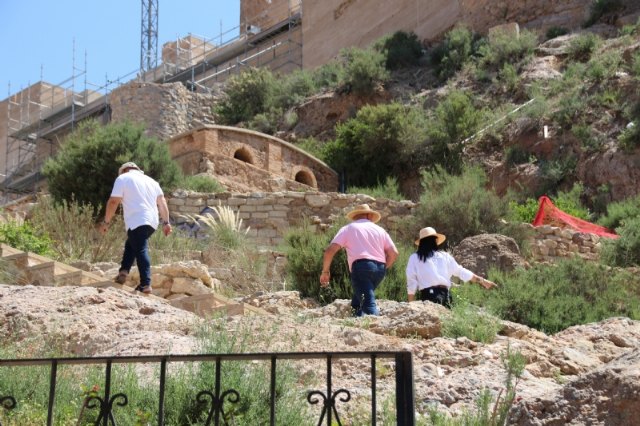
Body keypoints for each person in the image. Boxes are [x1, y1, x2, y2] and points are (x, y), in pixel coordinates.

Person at [99, 162, 172, 294]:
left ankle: (145, 284)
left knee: (141, 249)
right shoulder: (153, 182)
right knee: (131, 243)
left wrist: (106, 222)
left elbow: (114, 201)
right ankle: (123, 272)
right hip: (152, 222)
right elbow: (162, 203)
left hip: (137, 219)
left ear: (124, 170)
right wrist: (166, 222)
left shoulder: (123, 178)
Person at [320, 204, 399, 316]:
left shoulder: (349, 228)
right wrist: (383, 267)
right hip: (380, 269)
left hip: (361, 268)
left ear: (356, 216)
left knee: (369, 306)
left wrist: (325, 271)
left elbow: (329, 251)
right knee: (358, 301)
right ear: (369, 215)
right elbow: (394, 253)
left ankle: (375, 327)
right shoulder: (380, 230)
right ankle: (355, 316)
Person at [406, 227, 497, 308]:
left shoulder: (414, 258)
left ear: (421, 243)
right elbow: (461, 272)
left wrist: (411, 304)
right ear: (435, 241)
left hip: (429, 296)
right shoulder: (445, 256)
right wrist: (483, 281)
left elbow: (411, 282)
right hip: (446, 296)